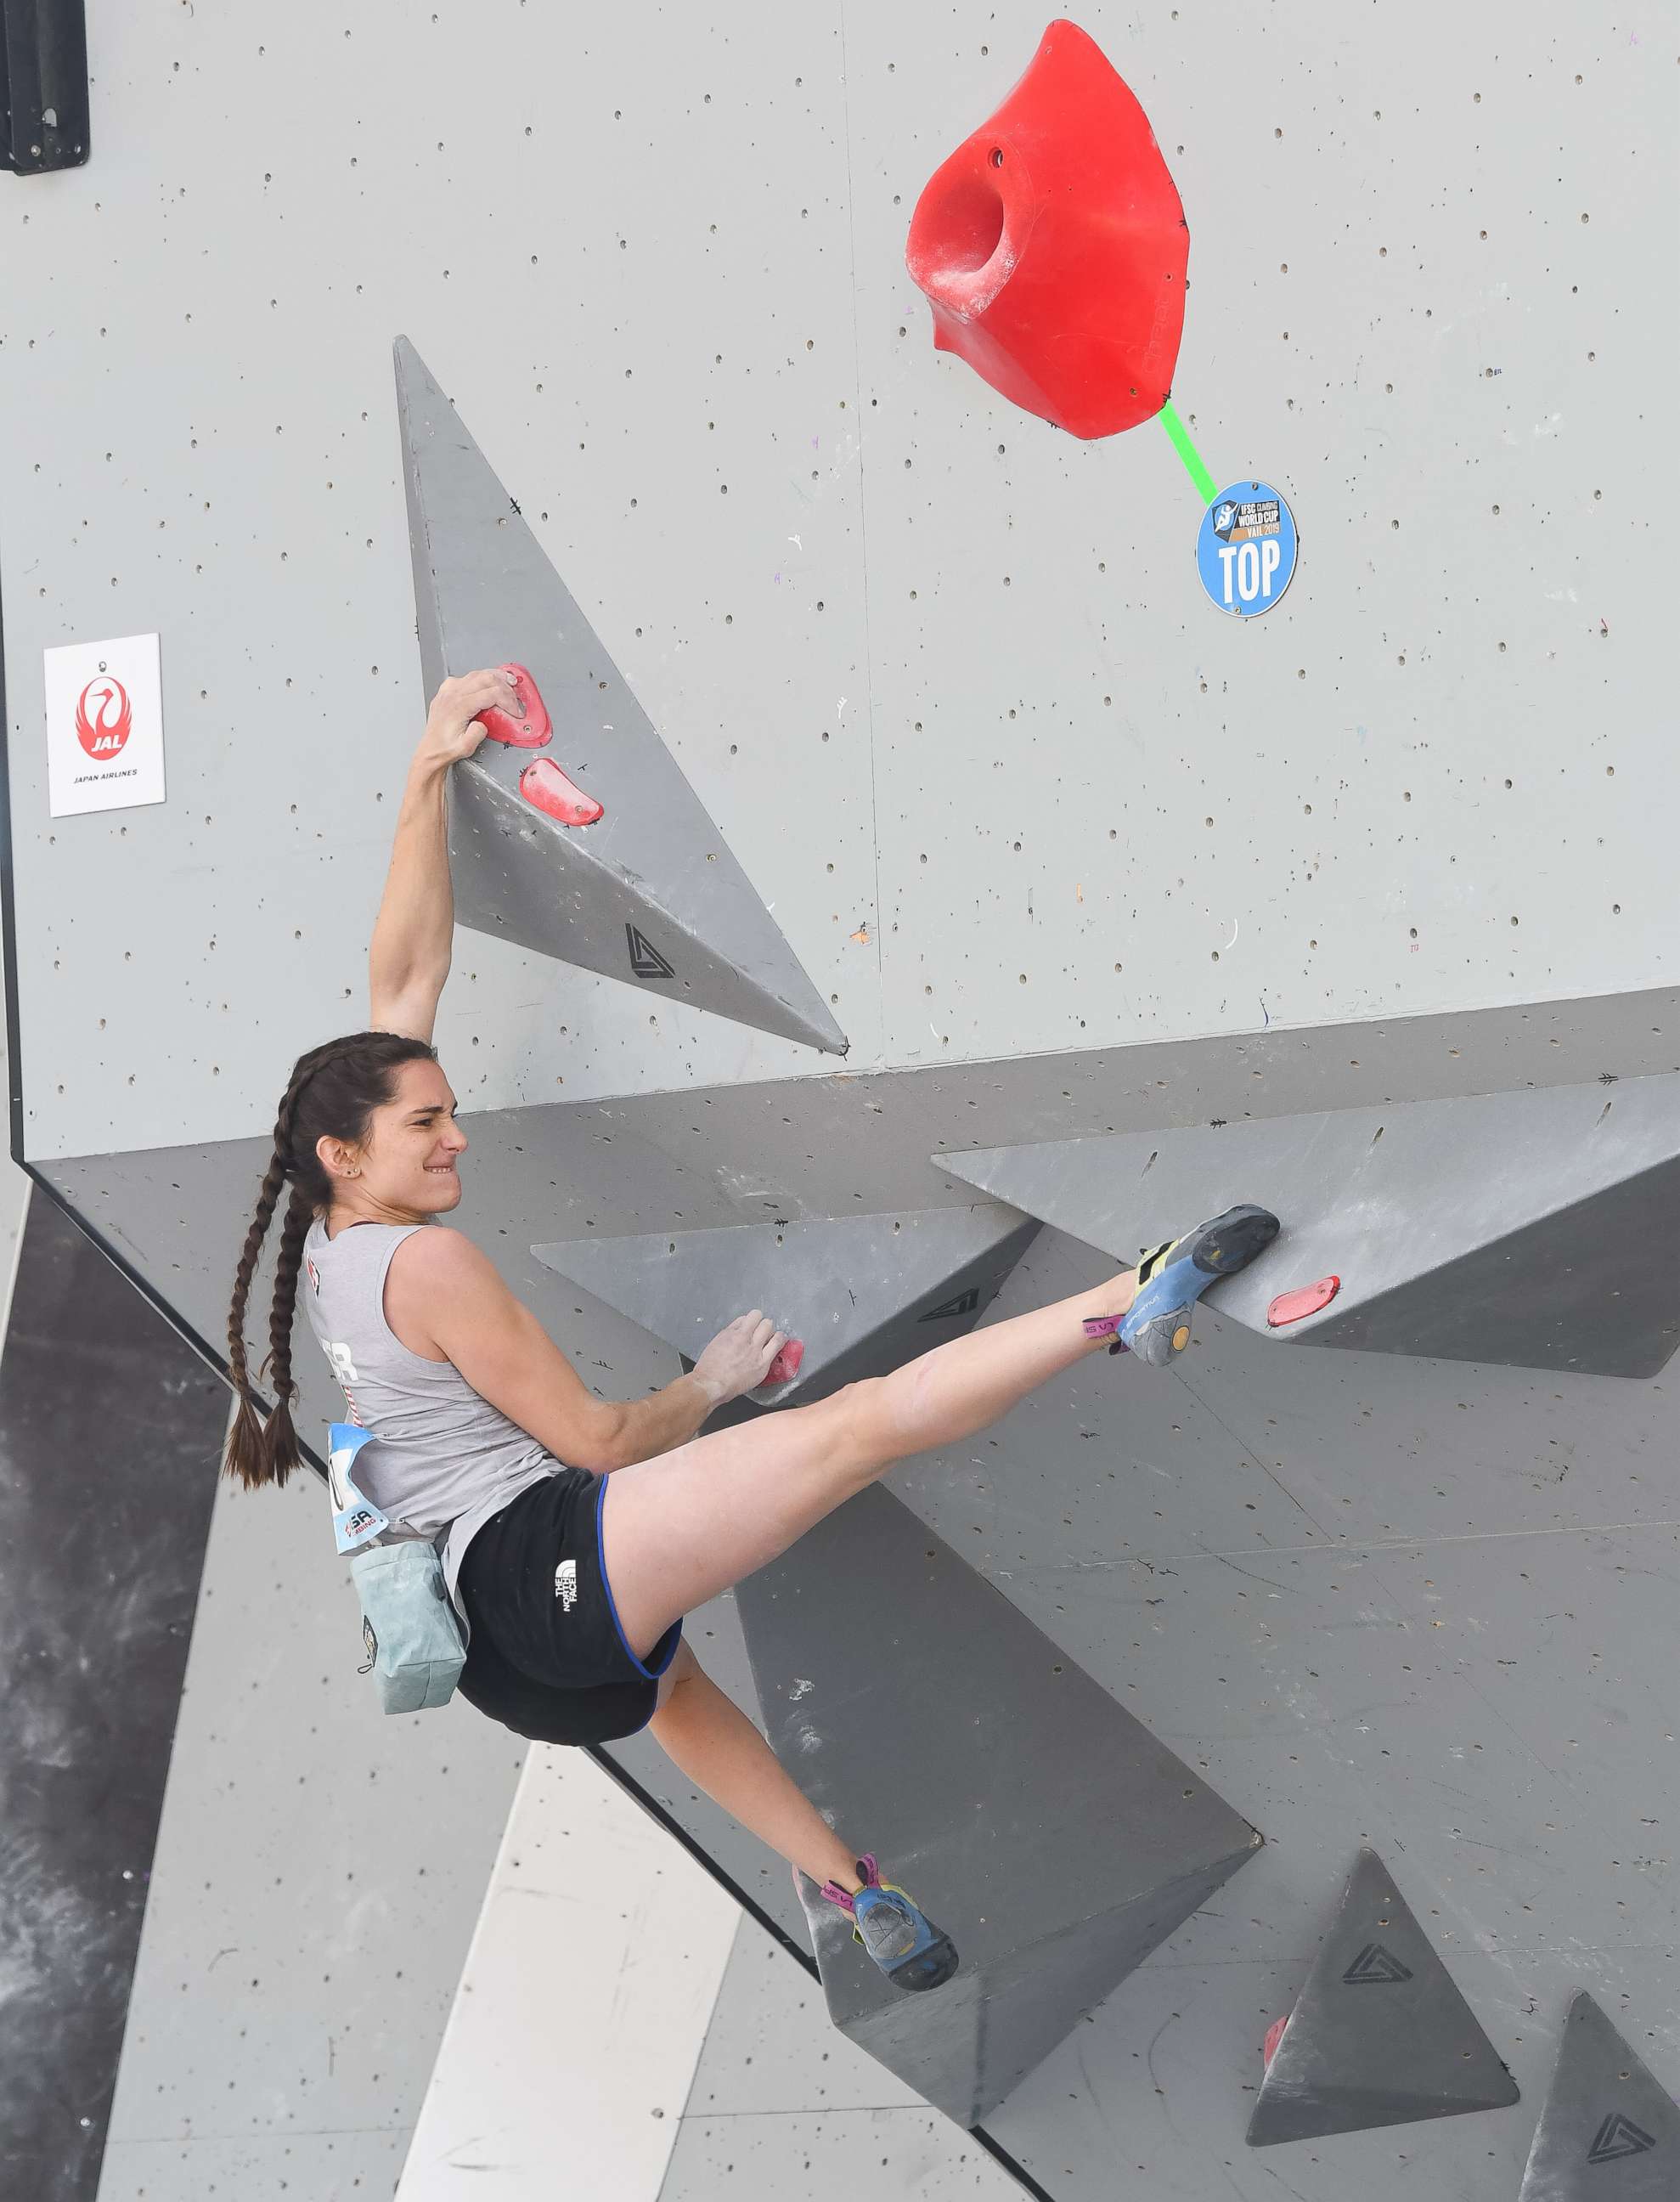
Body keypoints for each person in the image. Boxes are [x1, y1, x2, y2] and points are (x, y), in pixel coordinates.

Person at [222, 668, 1279, 1994]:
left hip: (529, 1673)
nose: (457, 1136)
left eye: (446, 1111)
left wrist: (431, 769)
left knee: (664, 1684)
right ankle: (1129, 1298)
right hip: (527, 1579)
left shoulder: (326, 1239)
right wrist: (716, 1380)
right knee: (849, 1431)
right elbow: (601, 1445)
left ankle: (849, 1884)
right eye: (427, 1126)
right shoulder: (419, 1263)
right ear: (347, 1150)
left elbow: (406, 963)